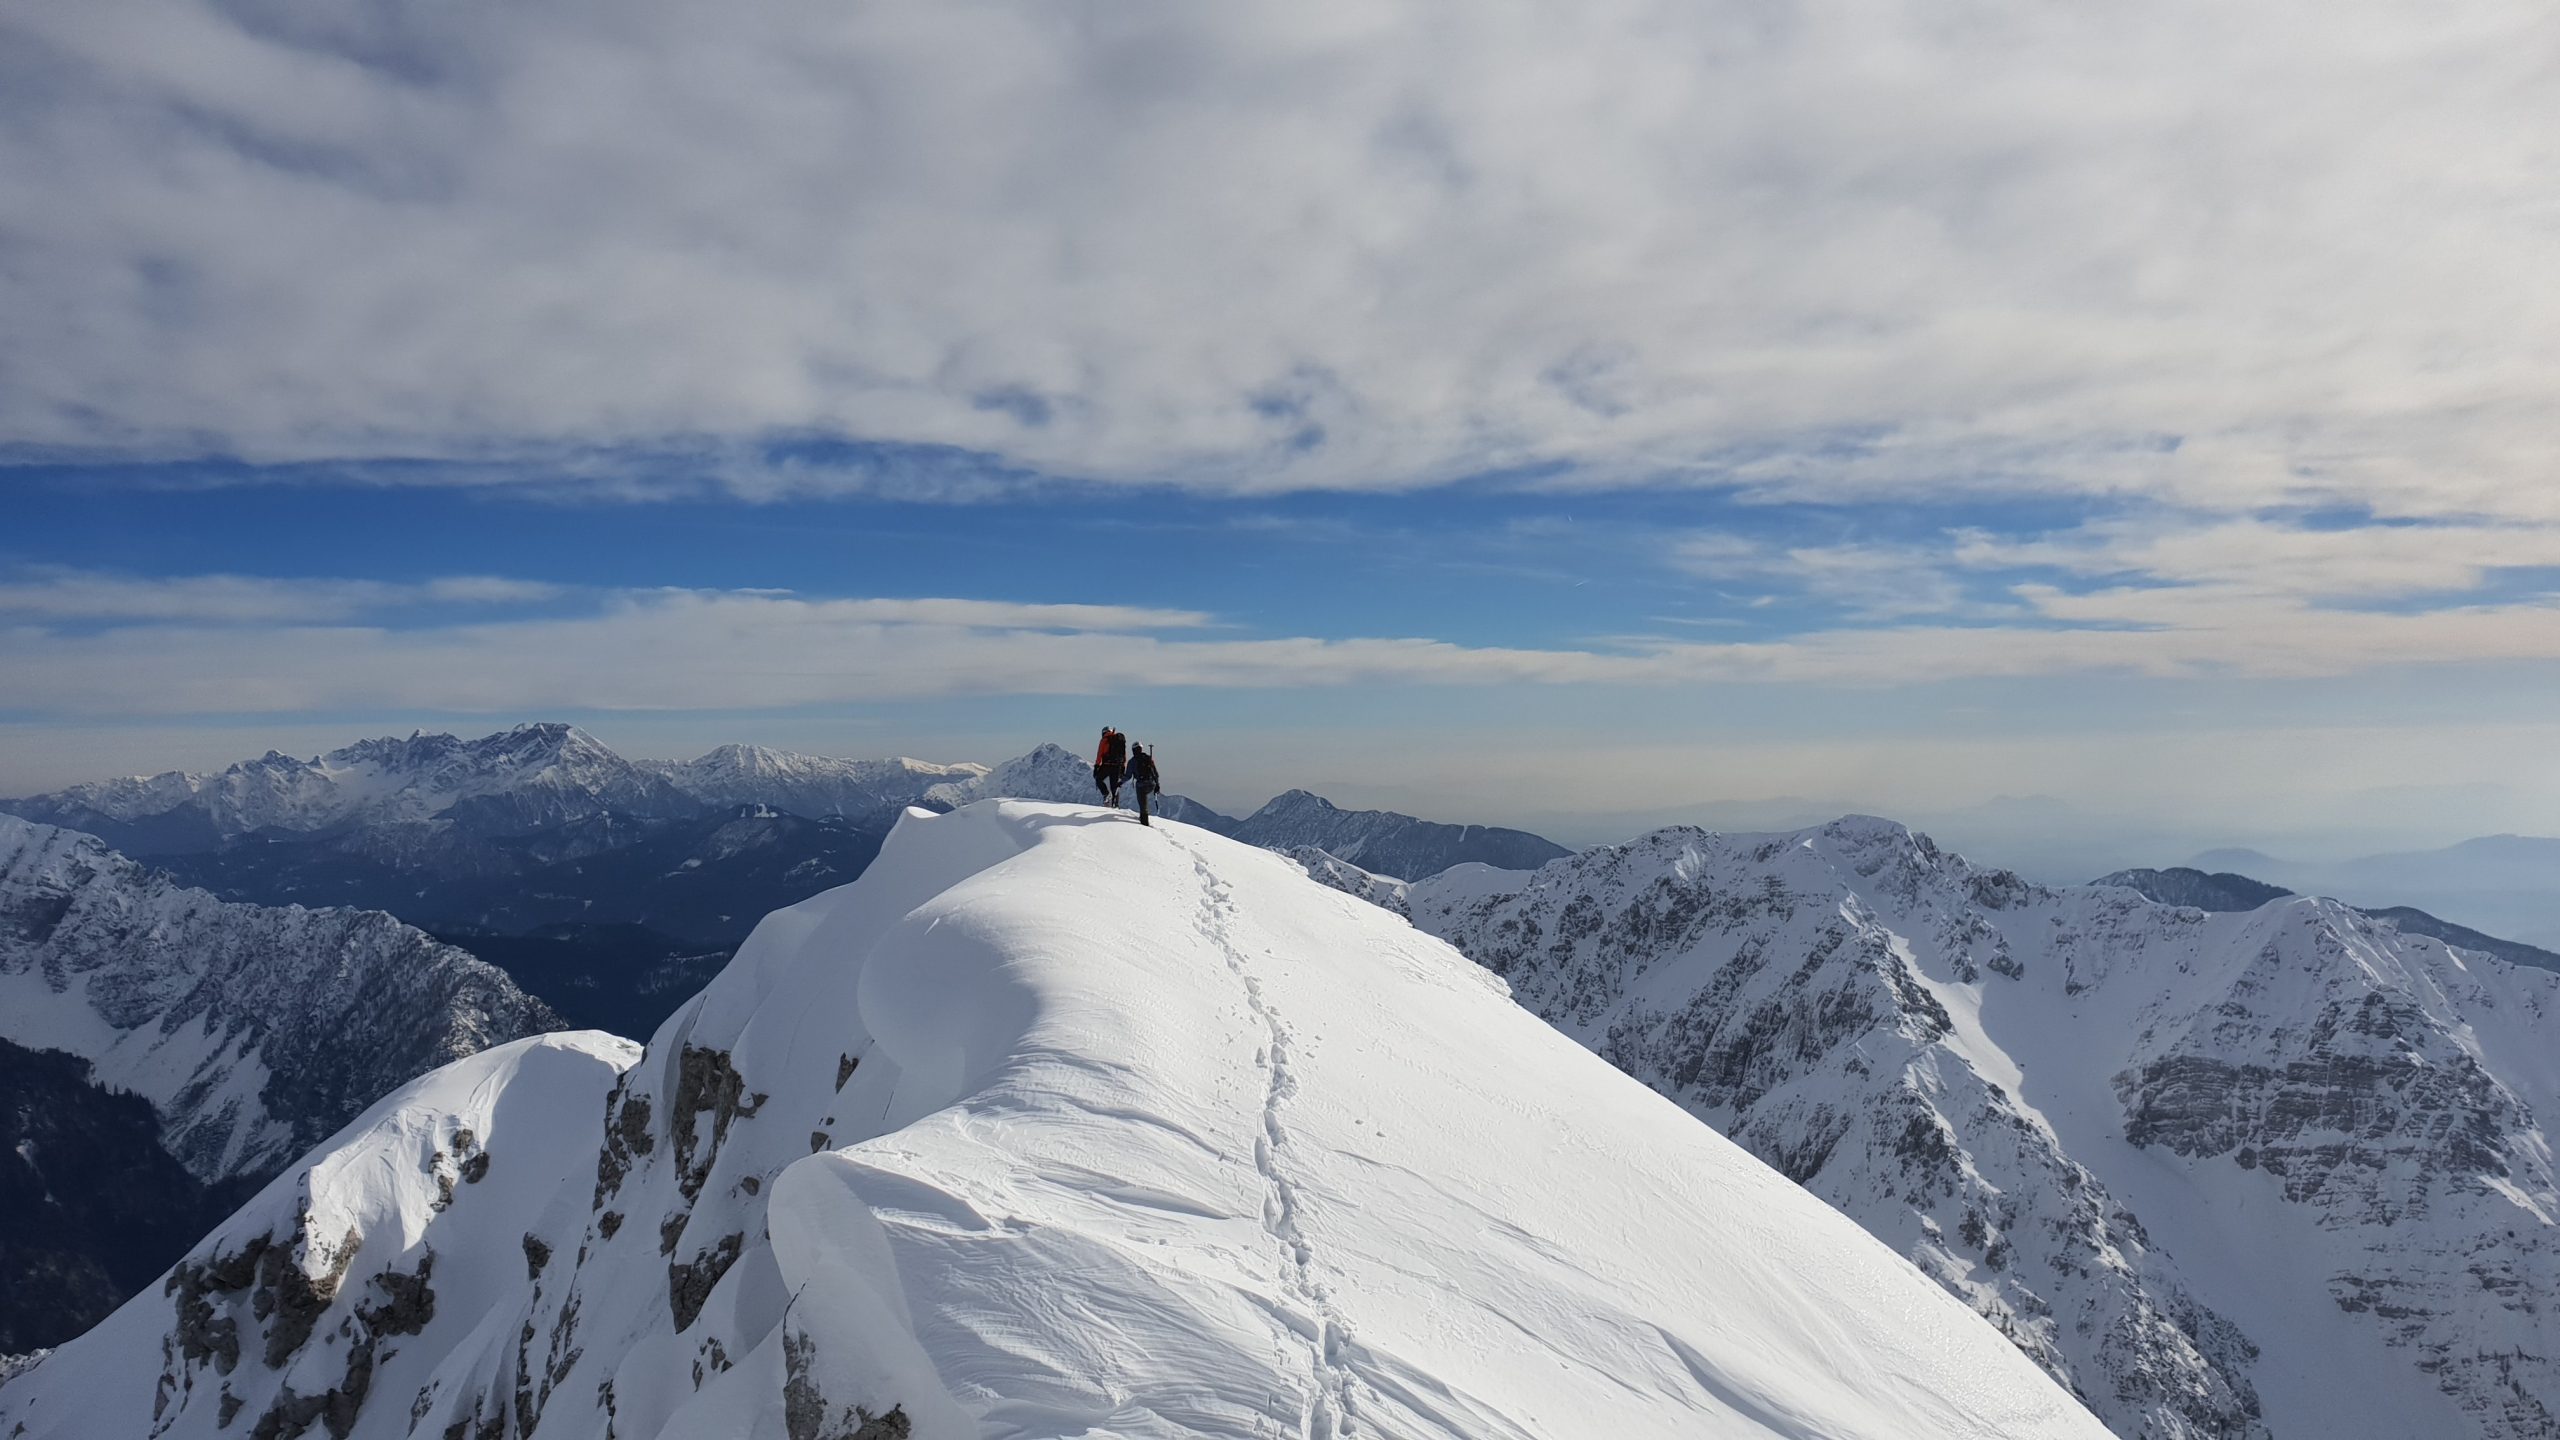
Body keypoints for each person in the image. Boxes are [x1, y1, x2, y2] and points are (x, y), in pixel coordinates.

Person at [1092, 726, 1127, 807]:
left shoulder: (1104, 740)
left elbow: (1099, 754)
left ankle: (1106, 794)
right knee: (1114, 786)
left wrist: (1097, 766)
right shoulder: (1120, 740)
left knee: (1099, 779)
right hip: (1118, 766)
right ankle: (1115, 804)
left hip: (1107, 765)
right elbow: (1124, 755)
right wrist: (1123, 766)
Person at [1128, 743, 1161, 826]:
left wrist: (1120, 782)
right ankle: (1143, 818)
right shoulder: (1148, 758)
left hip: (1141, 785)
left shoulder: (1132, 761)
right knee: (1144, 801)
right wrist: (1157, 784)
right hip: (1151, 784)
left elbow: (1128, 776)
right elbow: (1155, 773)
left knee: (1143, 805)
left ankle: (1144, 823)